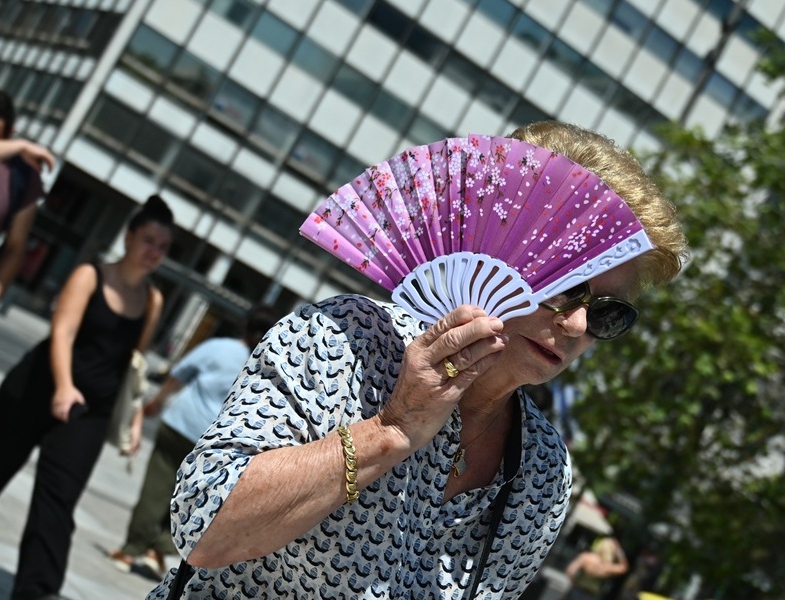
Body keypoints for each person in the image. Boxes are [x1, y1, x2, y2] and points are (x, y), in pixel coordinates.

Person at [147, 121, 688, 599]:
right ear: (500, 249)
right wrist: (391, 430)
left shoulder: (543, 470)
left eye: (607, 313)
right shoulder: (348, 338)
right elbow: (204, 530)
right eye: (566, 287)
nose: (576, 325)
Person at [0, 195, 173, 600]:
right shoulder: (88, 274)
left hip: (89, 411)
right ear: (129, 237)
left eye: (163, 248)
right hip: (35, 389)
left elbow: (132, 365)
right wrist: (64, 386)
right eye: (149, 240)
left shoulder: (152, 300)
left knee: (58, 499)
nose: (155, 252)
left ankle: (37, 591)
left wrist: (133, 419)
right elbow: (61, 332)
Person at [107, 305, 279, 578]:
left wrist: (157, 401)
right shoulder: (268, 366)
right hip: (214, 443)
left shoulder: (219, 347)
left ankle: (130, 550)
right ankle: (159, 550)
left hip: (179, 424)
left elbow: (180, 374)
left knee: (156, 489)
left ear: (246, 326)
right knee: (189, 495)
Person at [0, 85, 57, 343]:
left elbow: (14, 249)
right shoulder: (15, 149)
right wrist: (19, 146)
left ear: (9, 132)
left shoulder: (21, 177)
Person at [565, 536, 631, 600]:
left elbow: (570, 570)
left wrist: (574, 583)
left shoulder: (586, 557)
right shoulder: (606, 567)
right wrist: (619, 551)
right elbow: (624, 567)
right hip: (589, 595)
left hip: (576, 590)